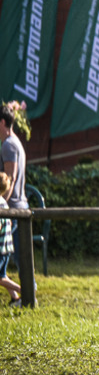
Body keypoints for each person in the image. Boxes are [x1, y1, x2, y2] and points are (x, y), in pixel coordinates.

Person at [0, 102, 27, 265]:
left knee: (20, 263)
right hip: (18, 207)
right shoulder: (14, 141)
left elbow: (10, 178)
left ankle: (31, 290)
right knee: (20, 262)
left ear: (2, 122)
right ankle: (24, 290)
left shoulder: (8, 145)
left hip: (13, 209)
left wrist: (3, 207)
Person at [0, 173, 21, 307]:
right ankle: (16, 298)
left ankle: (26, 292)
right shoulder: (3, 202)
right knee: (2, 276)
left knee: (0, 278)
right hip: (6, 248)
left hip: (0, 249)